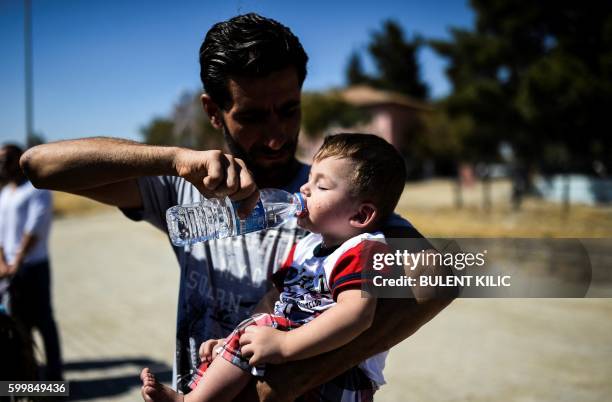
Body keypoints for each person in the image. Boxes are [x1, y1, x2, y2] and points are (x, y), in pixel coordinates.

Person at [20, 13, 455, 400]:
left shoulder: (336, 202)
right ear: (214, 111)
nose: (275, 135)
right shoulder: (183, 189)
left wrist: (286, 380)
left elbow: (441, 277)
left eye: (288, 110)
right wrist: (174, 159)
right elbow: (40, 165)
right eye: (252, 117)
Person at [140, 133, 403, 402]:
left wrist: (285, 345)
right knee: (252, 333)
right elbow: (275, 300)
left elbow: (357, 314)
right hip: (300, 360)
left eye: (321, 186)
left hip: (340, 375)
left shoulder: (364, 250)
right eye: (309, 179)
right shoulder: (306, 246)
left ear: (360, 215)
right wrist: (234, 341)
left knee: (266, 327)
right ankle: (199, 390)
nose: (304, 189)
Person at [0, 144, 63, 381]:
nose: (1, 165)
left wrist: (16, 260)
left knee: (44, 323)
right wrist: (2, 263)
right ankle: (29, 379)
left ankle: (55, 380)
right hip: (8, 270)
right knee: (18, 326)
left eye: (6, 160)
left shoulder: (37, 190)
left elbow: (34, 228)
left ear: (20, 160)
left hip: (33, 266)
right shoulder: (5, 193)